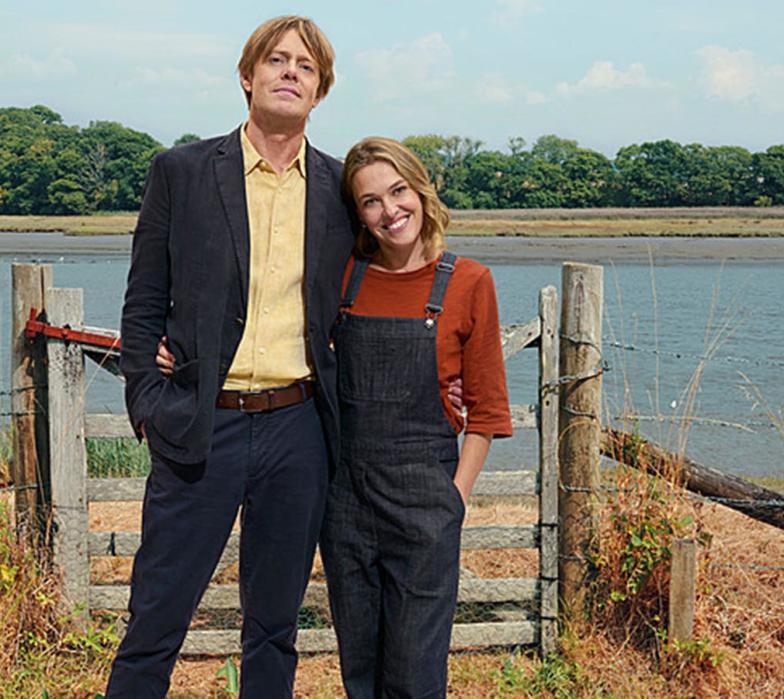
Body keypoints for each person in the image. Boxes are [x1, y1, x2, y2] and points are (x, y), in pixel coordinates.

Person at [106, 16, 355, 698]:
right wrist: (149, 407)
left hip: (297, 428)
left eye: (306, 67)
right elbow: (142, 304)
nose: (290, 73)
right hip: (199, 423)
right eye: (276, 60)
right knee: (156, 618)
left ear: (319, 91)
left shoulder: (339, 188)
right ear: (247, 77)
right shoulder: (182, 173)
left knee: (275, 625)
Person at [320, 137, 511, 697]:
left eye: (398, 191)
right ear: (358, 214)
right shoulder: (343, 279)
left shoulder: (469, 281)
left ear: (421, 189)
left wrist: (454, 498)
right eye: (371, 201)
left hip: (425, 503)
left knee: (415, 675)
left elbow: (487, 409)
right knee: (360, 669)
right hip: (346, 503)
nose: (390, 210)